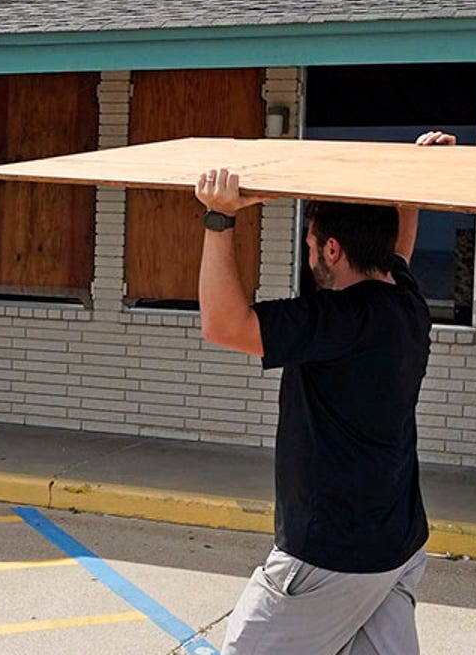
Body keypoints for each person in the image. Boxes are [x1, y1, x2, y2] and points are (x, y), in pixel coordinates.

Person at [195, 129, 454, 655]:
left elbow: (223, 324)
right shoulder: (406, 303)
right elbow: (395, 248)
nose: (309, 255)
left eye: (312, 246)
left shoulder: (334, 320)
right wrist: (413, 183)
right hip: (396, 546)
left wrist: (219, 220)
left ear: (333, 250)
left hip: (330, 557)